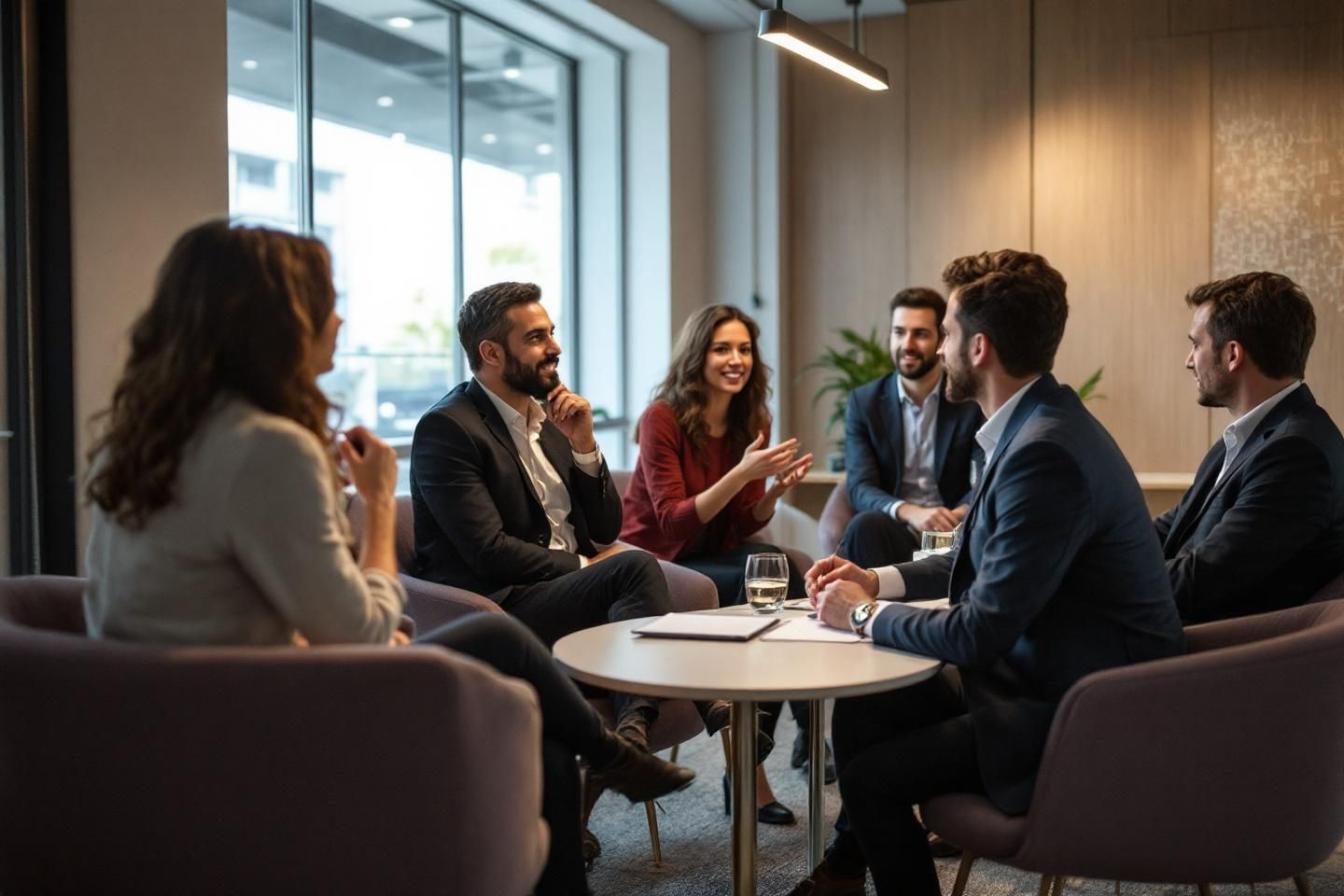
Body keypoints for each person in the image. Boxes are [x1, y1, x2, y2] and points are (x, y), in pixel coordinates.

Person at [82, 221, 694, 896]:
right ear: (273, 323)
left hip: (147, 723)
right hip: (258, 720)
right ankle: (612, 752)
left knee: (535, 718)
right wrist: (376, 504)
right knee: (505, 649)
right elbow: (368, 633)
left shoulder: (140, 440)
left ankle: (611, 752)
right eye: (324, 298)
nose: (340, 317)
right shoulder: (269, 448)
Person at [786, 249, 1185, 896]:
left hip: (1081, 716)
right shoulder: (1033, 426)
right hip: (1049, 678)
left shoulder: (1043, 453)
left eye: (943, 332)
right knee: (864, 711)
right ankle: (843, 873)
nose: (936, 347)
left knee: (867, 778)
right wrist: (873, 581)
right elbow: (973, 554)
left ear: (978, 348)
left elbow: (978, 634)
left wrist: (859, 616)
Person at [620, 303, 815, 825]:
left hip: (712, 552)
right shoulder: (660, 418)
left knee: (783, 567)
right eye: (722, 348)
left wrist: (772, 491)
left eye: (744, 349)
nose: (736, 359)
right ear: (698, 355)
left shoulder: (753, 417)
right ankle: (765, 756)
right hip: (658, 560)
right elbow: (674, 522)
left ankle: (760, 748)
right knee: (757, 585)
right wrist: (743, 471)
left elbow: (743, 523)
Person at [1156, 271, 1344, 622]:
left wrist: (1102, 587)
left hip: (1214, 654)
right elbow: (1173, 526)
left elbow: (1202, 582)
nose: (1189, 360)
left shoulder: (1297, 455)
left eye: (1196, 344)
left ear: (1232, 355)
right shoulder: (1252, 438)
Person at [839, 287, 983, 568]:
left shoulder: (969, 400)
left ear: (941, 339)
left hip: (954, 526)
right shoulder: (865, 402)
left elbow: (986, 471)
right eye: (899, 332)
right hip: (897, 526)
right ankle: (873, 610)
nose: (907, 344)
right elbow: (860, 486)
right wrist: (911, 512)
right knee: (864, 526)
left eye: (920, 333)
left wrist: (958, 513)